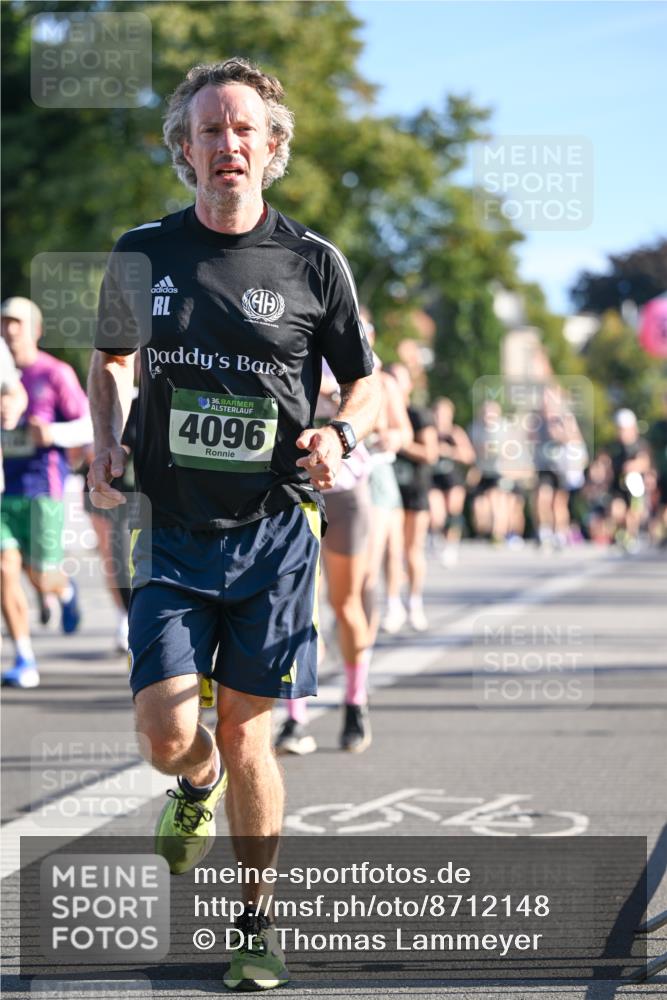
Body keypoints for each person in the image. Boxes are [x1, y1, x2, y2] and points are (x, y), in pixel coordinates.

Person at [87, 58, 379, 992]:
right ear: (185, 150)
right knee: (167, 733)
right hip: (170, 530)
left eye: (244, 128)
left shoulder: (312, 262)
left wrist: (337, 432)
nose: (227, 144)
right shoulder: (142, 251)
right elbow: (111, 362)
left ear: (272, 147)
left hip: (272, 536)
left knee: (254, 735)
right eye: (209, 130)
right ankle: (194, 782)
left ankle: (254, 924)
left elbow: (370, 384)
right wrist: (105, 441)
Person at [1, 297, 90, 689]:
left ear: (36, 329)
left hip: (43, 487)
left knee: (40, 573)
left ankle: (64, 589)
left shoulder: (55, 373)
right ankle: (24, 658)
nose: (10, 330)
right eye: (4, 323)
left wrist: (52, 433)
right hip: (5, 487)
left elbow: (89, 425)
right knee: (5, 570)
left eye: (18, 323)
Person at [387, 363, 438, 632]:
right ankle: (392, 604)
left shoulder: (418, 414)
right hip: (390, 489)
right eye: (391, 378)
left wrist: (402, 442)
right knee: (392, 552)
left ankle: (414, 603)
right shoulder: (381, 410)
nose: (395, 383)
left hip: (415, 489)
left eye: (400, 379)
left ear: (408, 385)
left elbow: (431, 453)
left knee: (411, 550)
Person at [429, 397, 475, 565]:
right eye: (438, 414)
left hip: (453, 478)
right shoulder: (430, 432)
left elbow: (469, 456)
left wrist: (450, 451)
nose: (440, 418)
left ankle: (450, 546)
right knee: (436, 514)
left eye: (444, 414)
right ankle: (436, 537)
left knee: (453, 510)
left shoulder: (455, 433)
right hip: (434, 478)